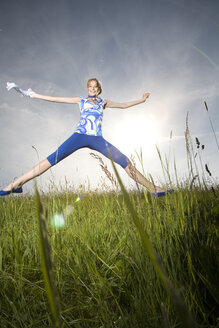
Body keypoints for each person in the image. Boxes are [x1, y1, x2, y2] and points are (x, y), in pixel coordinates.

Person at [0, 78, 173, 197]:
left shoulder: (104, 102)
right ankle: (15, 185)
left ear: (98, 89)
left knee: (125, 161)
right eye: (90, 86)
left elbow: (124, 105)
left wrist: (142, 100)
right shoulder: (80, 100)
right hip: (79, 136)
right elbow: (55, 99)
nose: (92, 89)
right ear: (87, 88)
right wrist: (33, 94)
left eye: (95, 87)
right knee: (51, 159)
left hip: (97, 139)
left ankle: (154, 189)